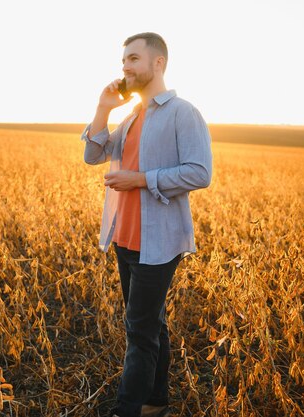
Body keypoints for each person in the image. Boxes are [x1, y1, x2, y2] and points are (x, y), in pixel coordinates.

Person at [80, 32, 213, 417]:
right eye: (124, 61)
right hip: (125, 237)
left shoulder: (182, 112)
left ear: (158, 64)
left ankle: (128, 409)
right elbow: (93, 155)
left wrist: (139, 179)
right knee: (150, 324)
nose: (125, 67)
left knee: (138, 332)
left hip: (158, 243)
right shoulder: (133, 115)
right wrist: (103, 109)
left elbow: (200, 172)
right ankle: (156, 403)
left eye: (134, 59)